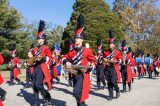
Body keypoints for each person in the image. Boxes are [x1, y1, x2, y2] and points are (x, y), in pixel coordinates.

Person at [61, 14, 95, 106]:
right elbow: (64, 57)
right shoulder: (72, 51)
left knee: (76, 92)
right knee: (78, 96)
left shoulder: (87, 50)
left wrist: (91, 67)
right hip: (75, 73)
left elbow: (93, 61)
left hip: (83, 74)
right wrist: (66, 61)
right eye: (75, 37)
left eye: (78, 38)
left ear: (82, 39)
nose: (76, 39)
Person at [32, 20, 52, 106]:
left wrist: (43, 59)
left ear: (43, 40)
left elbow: (50, 57)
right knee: (34, 85)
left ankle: (46, 96)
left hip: (42, 67)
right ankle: (36, 102)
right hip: (35, 67)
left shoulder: (45, 47)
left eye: (39, 38)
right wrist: (29, 61)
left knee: (38, 84)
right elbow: (32, 58)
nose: (38, 39)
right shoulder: (35, 49)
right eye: (38, 38)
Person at [103, 29, 121, 100]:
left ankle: (117, 90)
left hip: (113, 68)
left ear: (114, 45)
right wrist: (104, 60)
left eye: (111, 44)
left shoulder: (117, 52)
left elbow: (119, 60)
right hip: (107, 69)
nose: (110, 45)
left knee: (113, 81)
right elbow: (103, 59)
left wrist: (116, 61)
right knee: (109, 83)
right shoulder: (105, 52)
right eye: (109, 44)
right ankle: (111, 95)